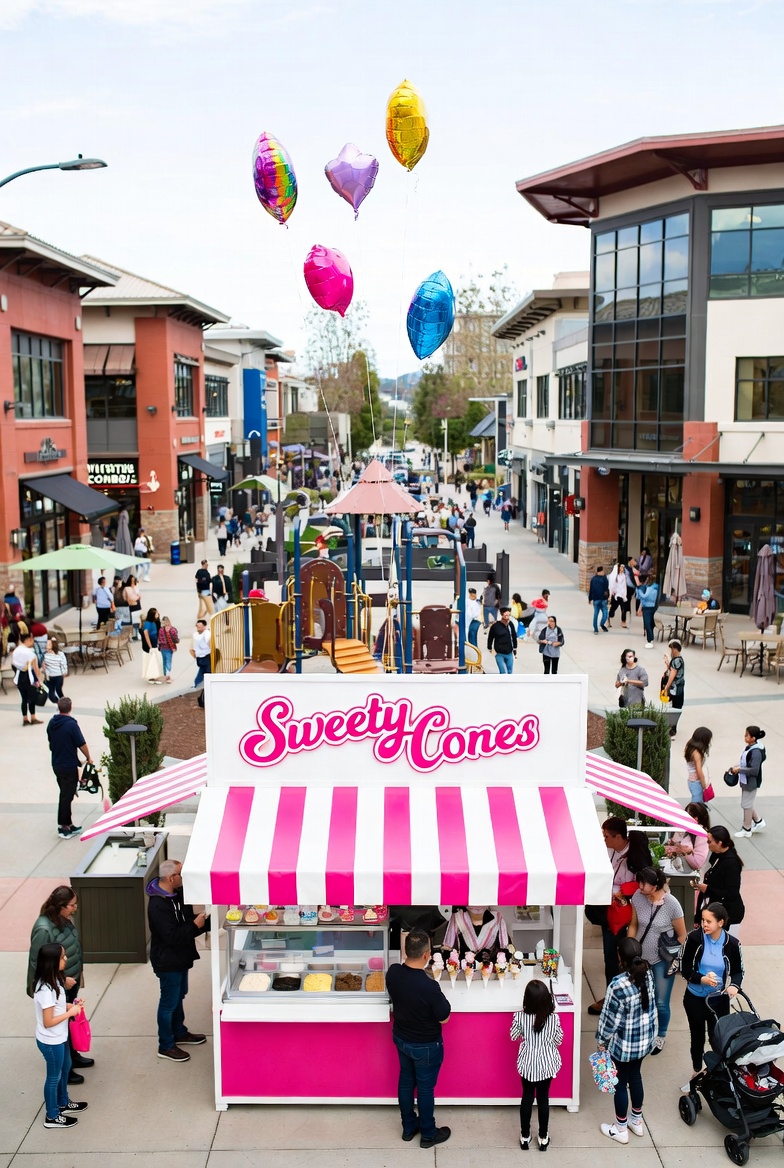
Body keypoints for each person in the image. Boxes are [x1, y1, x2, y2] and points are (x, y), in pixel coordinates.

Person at [385, 928, 451, 1148]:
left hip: (401, 1039)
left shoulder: (392, 973)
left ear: (406, 951)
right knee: (424, 1089)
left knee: (405, 1083)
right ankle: (428, 1134)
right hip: (426, 1045)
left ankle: (408, 1127)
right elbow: (444, 1018)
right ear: (426, 955)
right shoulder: (429, 986)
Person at [27, 886, 94, 1085]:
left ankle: (73, 1056)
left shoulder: (63, 919)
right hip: (59, 984)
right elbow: (38, 962)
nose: (75, 908)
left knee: (71, 1021)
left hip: (69, 979)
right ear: (61, 906)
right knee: (61, 1024)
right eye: (73, 905)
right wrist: (62, 980)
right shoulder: (44, 928)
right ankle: (67, 1068)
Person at [596, 937, 658, 1144]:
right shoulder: (648, 974)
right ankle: (636, 1121)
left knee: (620, 1083)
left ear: (620, 957)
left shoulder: (618, 984)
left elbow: (609, 1019)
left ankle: (621, 1128)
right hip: (644, 1041)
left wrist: (601, 1041)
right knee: (636, 1076)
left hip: (623, 1045)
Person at [586, 820, 652, 1015]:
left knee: (628, 956)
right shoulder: (610, 851)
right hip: (610, 913)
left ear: (618, 837)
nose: (604, 838)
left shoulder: (636, 855)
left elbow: (646, 881)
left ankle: (630, 997)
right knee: (609, 957)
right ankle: (611, 996)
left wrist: (623, 892)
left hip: (626, 914)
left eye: (606, 835)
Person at [146, 859, 208, 1062]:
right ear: (172, 878)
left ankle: (179, 1032)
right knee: (168, 1003)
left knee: (179, 996)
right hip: (168, 961)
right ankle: (166, 1045)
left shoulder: (178, 894)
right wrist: (195, 926)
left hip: (180, 958)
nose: (185, 877)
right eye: (182, 874)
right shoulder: (157, 905)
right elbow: (172, 935)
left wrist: (203, 923)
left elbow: (186, 921)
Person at [680, 901, 743, 1093]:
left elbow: (738, 971)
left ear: (721, 922)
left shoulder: (732, 943)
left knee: (718, 1039)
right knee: (697, 1037)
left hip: (718, 1000)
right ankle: (696, 1072)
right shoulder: (694, 939)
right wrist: (702, 979)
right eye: (702, 920)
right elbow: (685, 969)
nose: (704, 924)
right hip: (695, 998)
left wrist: (734, 985)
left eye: (709, 921)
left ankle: (716, 1074)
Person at [627, 866, 687, 1055]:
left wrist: (672, 958)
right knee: (639, 999)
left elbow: (682, 936)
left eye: (643, 883)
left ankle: (660, 1036)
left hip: (662, 960)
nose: (639, 886)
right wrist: (630, 948)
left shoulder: (672, 904)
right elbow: (634, 924)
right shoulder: (637, 897)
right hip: (640, 959)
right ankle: (643, 1032)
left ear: (655, 886)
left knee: (661, 1002)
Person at [32, 942, 87, 1129]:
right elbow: (48, 1021)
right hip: (51, 1041)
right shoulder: (46, 989)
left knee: (66, 1067)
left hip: (60, 1037)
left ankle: (63, 1102)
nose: (66, 959)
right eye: (62, 957)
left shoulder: (54, 980)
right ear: (52, 961)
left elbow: (54, 1009)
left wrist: (69, 1006)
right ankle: (52, 1115)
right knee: (54, 1076)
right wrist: (70, 1013)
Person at [511, 979, 563, 1151]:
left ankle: (525, 1136)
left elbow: (513, 1036)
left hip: (527, 1064)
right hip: (547, 1064)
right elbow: (558, 1040)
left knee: (527, 1098)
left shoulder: (519, 1016)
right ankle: (543, 1137)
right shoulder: (554, 1019)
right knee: (543, 1100)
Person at [46, 698, 92, 839]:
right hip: (68, 766)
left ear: (59, 708)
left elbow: (51, 744)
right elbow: (81, 743)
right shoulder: (71, 725)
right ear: (70, 707)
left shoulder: (52, 724)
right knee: (67, 795)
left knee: (66, 793)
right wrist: (88, 757)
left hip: (57, 764)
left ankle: (69, 824)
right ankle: (63, 827)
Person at [694, 826, 745, 934]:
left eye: (709, 841)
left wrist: (708, 889)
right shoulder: (717, 856)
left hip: (727, 915)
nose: (707, 844)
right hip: (714, 911)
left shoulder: (731, 864)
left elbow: (732, 893)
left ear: (720, 843)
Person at [730, 725, 766, 838]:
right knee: (748, 803)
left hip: (751, 782)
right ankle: (758, 821)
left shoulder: (755, 752)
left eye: (747, 735)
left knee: (746, 804)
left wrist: (740, 769)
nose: (745, 737)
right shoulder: (752, 748)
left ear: (753, 738)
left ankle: (747, 828)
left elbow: (754, 770)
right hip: (746, 781)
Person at [663, 802, 711, 873]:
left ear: (696, 819)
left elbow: (697, 864)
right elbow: (672, 845)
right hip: (672, 870)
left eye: (688, 816)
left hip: (687, 876)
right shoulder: (680, 829)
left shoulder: (701, 836)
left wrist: (686, 852)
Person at [12, 630, 44, 725]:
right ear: (28, 640)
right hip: (30, 678)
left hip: (19, 677)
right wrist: (38, 681)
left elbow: (13, 664)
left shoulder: (16, 651)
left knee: (24, 699)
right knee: (32, 699)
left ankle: (25, 719)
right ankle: (33, 718)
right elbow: (36, 668)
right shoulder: (30, 653)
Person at [662, 639, 685, 735]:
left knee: (675, 708)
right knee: (674, 707)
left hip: (676, 688)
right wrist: (668, 663)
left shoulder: (677, 660)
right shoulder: (677, 660)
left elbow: (673, 673)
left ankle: (672, 729)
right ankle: (671, 727)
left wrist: (666, 687)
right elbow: (672, 670)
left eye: (671, 649)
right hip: (677, 688)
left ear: (675, 649)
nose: (671, 651)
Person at [684, 727, 713, 804]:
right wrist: (704, 784)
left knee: (698, 803)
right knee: (696, 805)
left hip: (692, 781)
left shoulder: (691, 748)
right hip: (696, 782)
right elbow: (699, 770)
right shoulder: (697, 753)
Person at [486, 607, 518, 675]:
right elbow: (490, 637)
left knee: (510, 671)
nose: (507, 617)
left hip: (509, 652)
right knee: (503, 671)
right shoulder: (495, 626)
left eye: (509, 615)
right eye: (506, 615)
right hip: (499, 653)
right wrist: (489, 648)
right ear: (502, 615)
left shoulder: (510, 625)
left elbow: (514, 636)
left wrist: (515, 647)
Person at [43, 637, 69, 704]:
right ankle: (58, 702)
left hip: (59, 676)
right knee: (51, 695)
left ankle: (64, 704)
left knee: (58, 690)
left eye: (48, 643)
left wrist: (64, 672)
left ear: (53, 644)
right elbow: (42, 665)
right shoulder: (44, 655)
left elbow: (64, 663)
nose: (46, 644)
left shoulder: (60, 654)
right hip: (49, 677)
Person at [192, 618, 211, 709]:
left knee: (205, 677)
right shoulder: (196, 635)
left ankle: (203, 699)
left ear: (204, 626)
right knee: (204, 677)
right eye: (197, 626)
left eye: (199, 626)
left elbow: (208, 641)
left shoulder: (206, 633)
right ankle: (203, 698)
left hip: (205, 657)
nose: (198, 627)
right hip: (201, 658)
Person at [141, 607, 163, 684]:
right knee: (152, 661)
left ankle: (155, 676)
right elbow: (146, 633)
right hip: (152, 645)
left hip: (155, 643)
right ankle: (152, 677)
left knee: (156, 661)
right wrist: (150, 646)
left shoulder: (154, 622)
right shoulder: (148, 623)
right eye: (156, 613)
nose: (158, 614)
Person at [636, 579, 659, 648]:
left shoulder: (649, 589)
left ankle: (650, 639)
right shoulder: (656, 589)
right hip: (653, 607)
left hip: (647, 608)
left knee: (647, 623)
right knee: (651, 623)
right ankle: (651, 636)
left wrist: (639, 591)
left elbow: (643, 596)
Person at [588, 565, 610, 634]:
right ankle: (602, 624)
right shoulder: (604, 579)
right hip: (603, 599)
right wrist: (607, 597)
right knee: (605, 613)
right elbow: (606, 589)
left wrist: (590, 598)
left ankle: (595, 629)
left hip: (596, 599)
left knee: (596, 614)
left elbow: (591, 590)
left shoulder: (593, 579)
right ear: (600, 571)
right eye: (603, 571)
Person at [607, 561, 629, 628]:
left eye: (623, 568)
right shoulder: (614, 576)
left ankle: (623, 621)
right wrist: (610, 596)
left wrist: (624, 595)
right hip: (615, 595)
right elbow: (611, 586)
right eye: (621, 568)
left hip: (621, 595)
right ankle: (609, 617)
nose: (622, 569)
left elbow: (624, 586)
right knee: (613, 609)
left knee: (623, 608)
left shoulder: (623, 576)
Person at [158, 616, 179, 683]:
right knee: (168, 662)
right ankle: (168, 676)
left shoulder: (161, 630)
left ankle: (165, 675)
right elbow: (176, 639)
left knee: (164, 662)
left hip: (162, 648)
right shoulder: (173, 629)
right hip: (169, 648)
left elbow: (159, 639)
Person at [123, 574, 142, 640]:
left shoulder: (136, 587)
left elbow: (138, 594)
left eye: (134, 581)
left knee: (137, 619)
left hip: (137, 604)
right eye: (132, 581)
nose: (133, 583)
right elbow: (124, 597)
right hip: (131, 605)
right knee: (131, 620)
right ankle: (132, 634)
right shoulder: (126, 588)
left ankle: (137, 634)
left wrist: (138, 596)